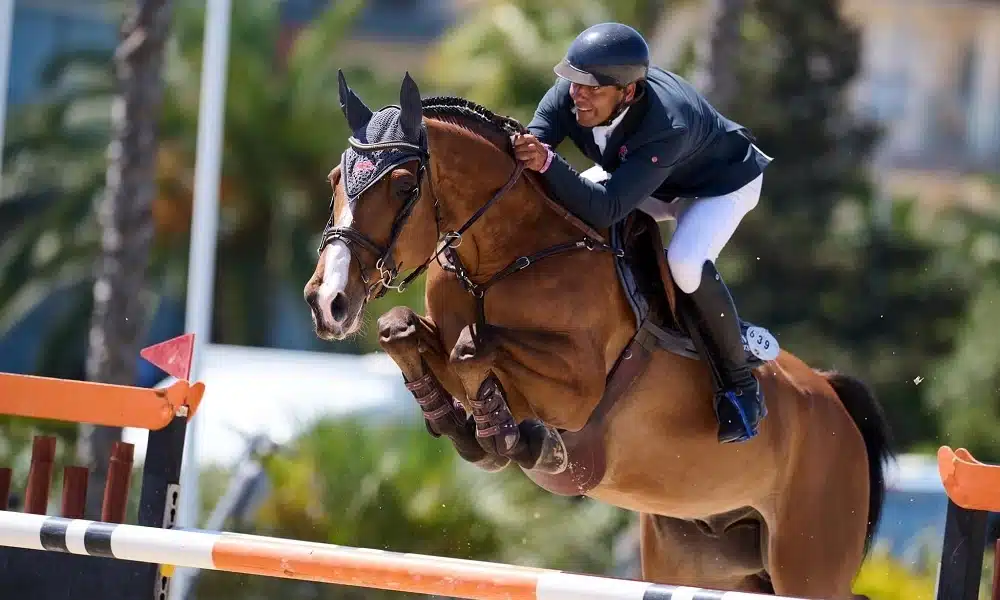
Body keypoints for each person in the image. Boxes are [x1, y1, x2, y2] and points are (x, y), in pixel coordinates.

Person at [513, 22, 773, 444]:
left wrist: (546, 162)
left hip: (718, 186)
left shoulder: (667, 122)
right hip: (645, 178)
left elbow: (609, 205)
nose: (578, 94)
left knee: (684, 262)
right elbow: (530, 158)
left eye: (593, 88)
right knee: (567, 215)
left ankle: (740, 386)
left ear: (628, 92)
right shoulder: (569, 94)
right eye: (575, 82)